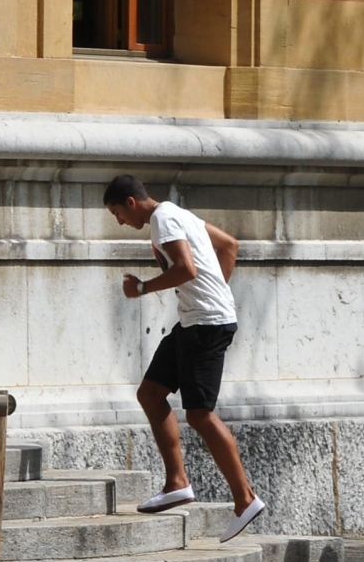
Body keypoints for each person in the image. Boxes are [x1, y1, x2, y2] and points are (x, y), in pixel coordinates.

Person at [103, 174, 266, 542]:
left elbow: (186, 268)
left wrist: (142, 288)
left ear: (131, 202)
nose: (119, 222)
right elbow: (229, 245)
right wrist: (213, 292)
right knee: (150, 393)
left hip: (206, 327)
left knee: (200, 414)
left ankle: (245, 498)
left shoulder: (163, 220)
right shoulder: (177, 213)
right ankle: (177, 482)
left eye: (117, 213)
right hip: (196, 321)